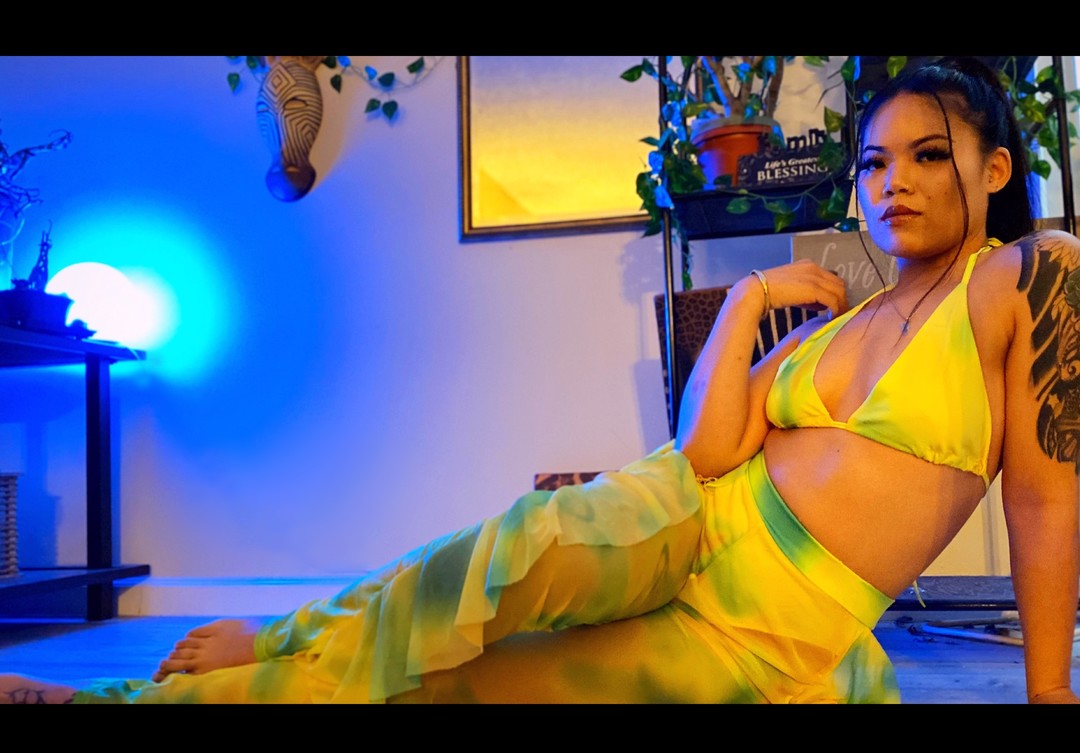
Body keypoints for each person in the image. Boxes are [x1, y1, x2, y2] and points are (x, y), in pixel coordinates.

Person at [4, 56, 1079, 705]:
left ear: (995, 168)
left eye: (927, 155)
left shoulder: (1030, 276)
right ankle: (283, 631)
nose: (891, 183)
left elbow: (1043, 495)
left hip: (769, 621)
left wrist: (1046, 689)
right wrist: (751, 301)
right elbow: (707, 450)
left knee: (453, 683)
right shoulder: (841, 320)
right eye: (874, 162)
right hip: (684, 517)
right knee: (489, 564)